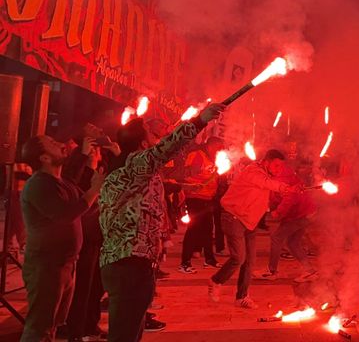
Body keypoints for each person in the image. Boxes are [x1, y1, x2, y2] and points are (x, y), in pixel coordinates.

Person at [100, 103, 223, 342]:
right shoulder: (135, 164)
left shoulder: (130, 167)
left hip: (134, 260)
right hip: (128, 261)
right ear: (143, 144)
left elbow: (155, 185)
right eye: (153, 135)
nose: (158, 138)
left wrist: (185, 187)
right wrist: (200, 120)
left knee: (131, 329)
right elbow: (168, 148)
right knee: (124, 334)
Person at [19, 134, 104, 342]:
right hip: (46, 266)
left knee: (53, 324)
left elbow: (81, 200)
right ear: (44, 158)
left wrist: (90, 167)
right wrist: (95, 188)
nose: (60, 143)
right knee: (39, 328)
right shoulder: (39, 184)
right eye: (52, 143)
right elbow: (66, 214)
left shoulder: (61, 182)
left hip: (65, 264)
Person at [209, 149, 296, 308]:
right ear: (267, 162)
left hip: (250, 221)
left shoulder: (266, 175)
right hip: (234, 217)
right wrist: (283, 187)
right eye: (276, 166)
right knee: (238, 258)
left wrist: (286, 190)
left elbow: (267, 188)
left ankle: (241, 297)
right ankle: (216, 280)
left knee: (249, 262)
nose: (278, 170)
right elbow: (265, 183)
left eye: (280, 167)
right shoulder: (252, 170)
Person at [62, 126, 119, 342]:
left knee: (97, 285)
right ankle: (76, 330)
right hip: (83, 236)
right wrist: (82, 155)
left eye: (96, 148)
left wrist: (117, 154)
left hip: (101, 235)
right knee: (82, 287)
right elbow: (69, 183)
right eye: (93, 148)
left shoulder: (101, 169)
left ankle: (90, 325)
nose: (97, 152)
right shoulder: (77, 172)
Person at [261, 159, 318, 282]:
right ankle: (309, 271)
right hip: (305, 212)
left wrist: (278, 212)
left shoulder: (281, 177)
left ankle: (271, 271)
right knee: (293, 242)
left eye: (278, 165)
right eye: (275, 165)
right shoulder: (282, 172)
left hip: (300, 213)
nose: (276, 168)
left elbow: (289, 197)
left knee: (277, 237)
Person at [177, 137, 223, 273]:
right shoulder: (197, 155)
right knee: (193, 230)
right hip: (195, 198)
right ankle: (185, 263)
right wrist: (200, 182)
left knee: (208, 230)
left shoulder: (212, 159)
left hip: (207, 198)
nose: (219, 150)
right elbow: (189, 174)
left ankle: (209, 259)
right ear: (210, 145)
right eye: (218, 146)